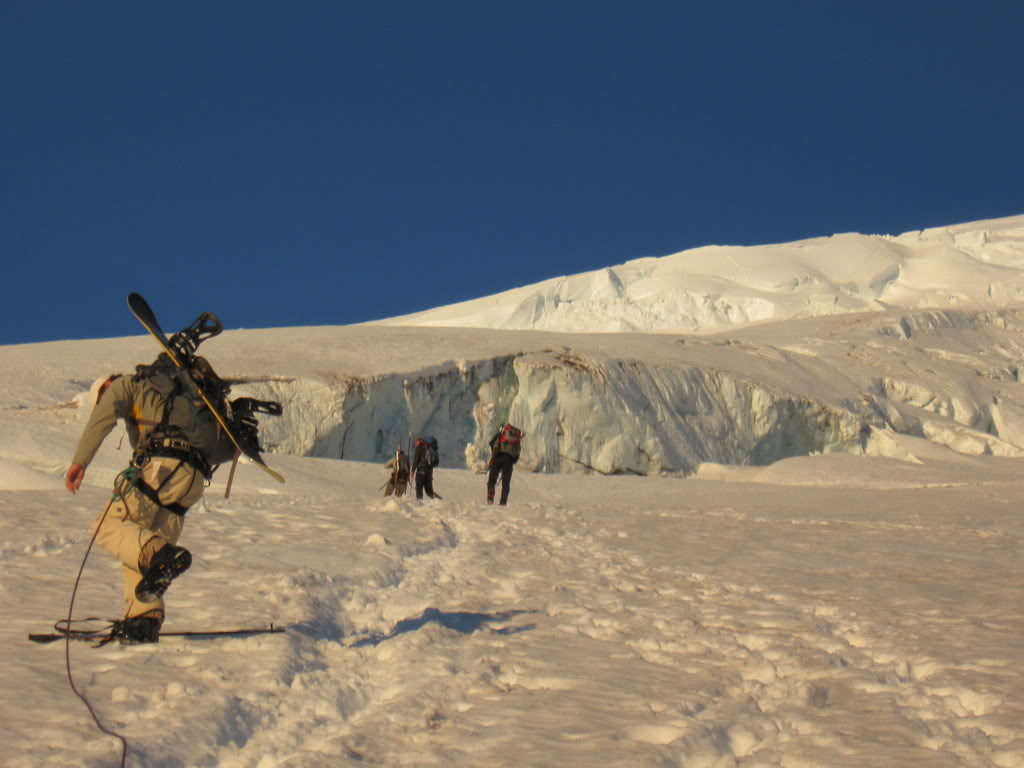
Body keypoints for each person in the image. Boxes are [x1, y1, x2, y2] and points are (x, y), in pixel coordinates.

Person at [65, 352, 242, 644]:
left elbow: (104, 415)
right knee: (137, 543)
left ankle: (160, 557)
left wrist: (80, 461)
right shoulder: (173, 400)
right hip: (192, 479)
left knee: (108, 525)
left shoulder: (124, 385)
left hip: (164, 468)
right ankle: (143, 622)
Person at [487, 424, 523, 506]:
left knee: (492, 480)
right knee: (506, 484)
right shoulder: (516, 441)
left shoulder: (501, 435)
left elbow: (492, 443)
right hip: (509, 461)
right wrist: (511, 461)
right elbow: (516, 456)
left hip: (498, 458)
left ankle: (490, 494)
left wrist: (494, 457)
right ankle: (502, 503)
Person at [409, 435, 440, 500]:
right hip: (429, 471)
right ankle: (438, 502)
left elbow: (416, 460)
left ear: (419, 441)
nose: (415, 444)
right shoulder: (431, 447)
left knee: (419, 489)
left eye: (416, 442)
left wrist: (412, 471)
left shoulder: (420, 447)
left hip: (421, 471)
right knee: (429, 490)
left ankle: (419, 504)